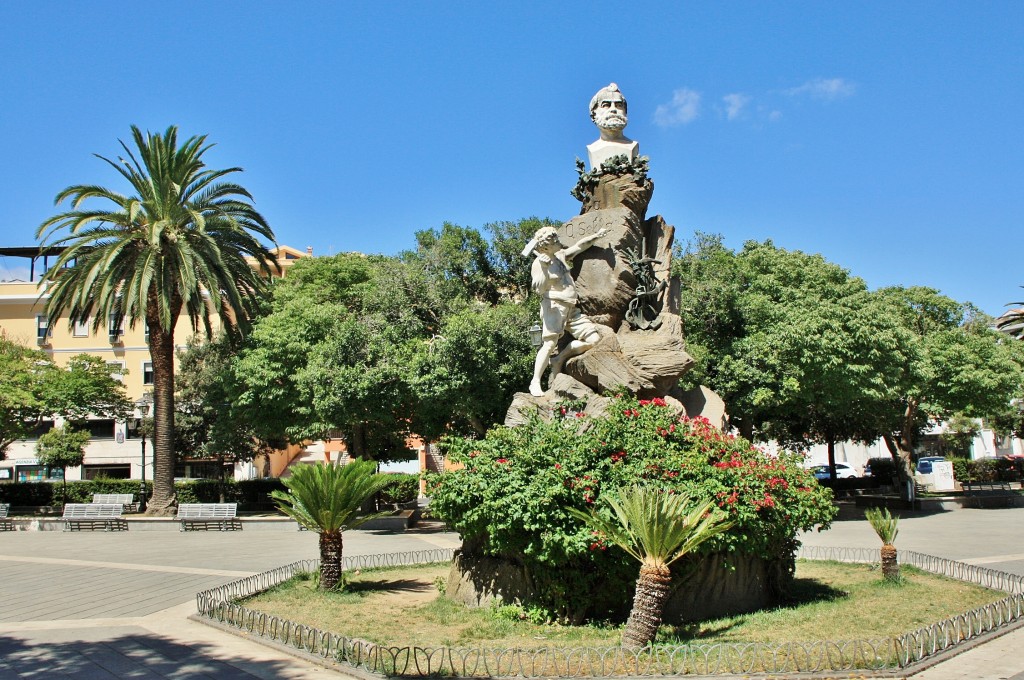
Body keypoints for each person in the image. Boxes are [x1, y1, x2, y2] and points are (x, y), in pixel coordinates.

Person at [522, 225, 609, 396]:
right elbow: (539, 288)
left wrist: (596, 236)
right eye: (554, 240)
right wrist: (545, 269)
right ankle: (535, 382)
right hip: (554, 306)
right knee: (549, 344)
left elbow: (579, 246)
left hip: (572, 308)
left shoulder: (560, 255)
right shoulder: (539, 263)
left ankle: (559, 359)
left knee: (594, 340)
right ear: (545, 247)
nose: (558, 241)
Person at [587, 83, 639, 168]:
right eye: (606, 105)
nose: (613, 109)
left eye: (619, 105)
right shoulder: (593, 148)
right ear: (593, 114)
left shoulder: (632, 145)